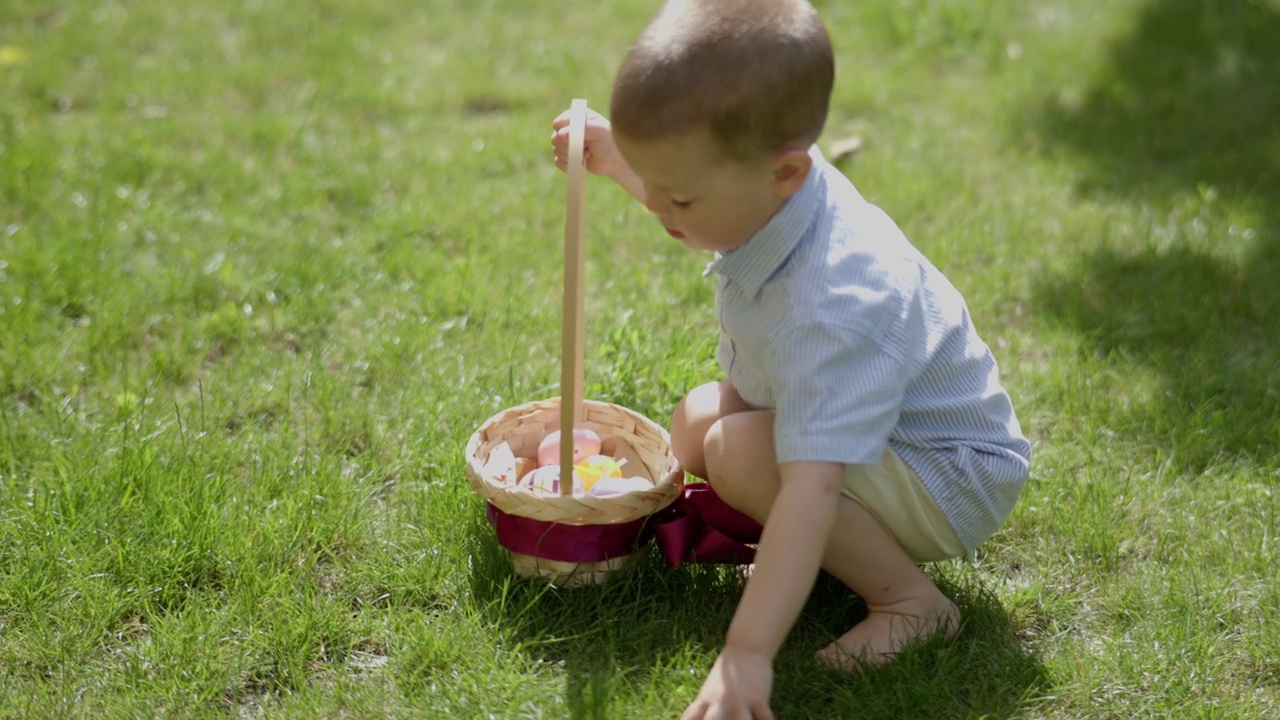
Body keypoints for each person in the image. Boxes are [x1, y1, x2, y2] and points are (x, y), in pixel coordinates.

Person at [550, 1, 1031, 717]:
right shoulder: (770, 190)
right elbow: (703, 196)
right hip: (883, 427)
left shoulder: (835, 302)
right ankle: (772, 548)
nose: (655, 205)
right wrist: (621, 155)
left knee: (739, 453)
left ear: (786, 172)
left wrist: (745, 654)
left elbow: (812, 486)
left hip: (946, 471)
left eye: (676, 194)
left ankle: (910, 603)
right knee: (696, 420)